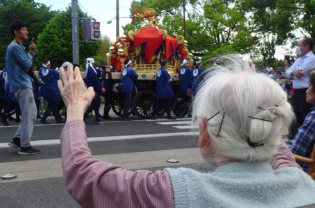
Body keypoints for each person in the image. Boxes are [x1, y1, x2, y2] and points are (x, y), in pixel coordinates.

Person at [58, 60, 315, 208]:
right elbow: (279, 151)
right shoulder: (303, 184)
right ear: (274, 128)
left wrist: (74, 109)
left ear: (204, 133)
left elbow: (81, 172)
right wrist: (256, 101)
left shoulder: (172, 192)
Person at [6, 20, 40, 155]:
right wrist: (31, 53)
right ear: (16, 32)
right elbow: (27, 65)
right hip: (22, 85)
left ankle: (17, 139)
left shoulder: (15, 47)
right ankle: (25, 146)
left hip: (20, 85)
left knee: (30, 114)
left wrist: (29, 52)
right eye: (24, 29)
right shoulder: (15, 47)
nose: (27, 32)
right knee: (28, 115)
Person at [285, 38, 315, 139]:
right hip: (297, 92)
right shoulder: (299, 59)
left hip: (306, 92)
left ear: (306, 47)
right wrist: (293, 73)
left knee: (304, 116)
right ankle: (296, 140)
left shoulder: (311, 58)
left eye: (298, 45)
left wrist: (293, 73)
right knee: (297, 116)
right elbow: (288, 73)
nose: (297, 48)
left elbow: (299, 73)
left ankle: (305, 143)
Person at [289, 69, 315, 172]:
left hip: (305, 172)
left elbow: (295, 152)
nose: (306, 90)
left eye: (310, 86)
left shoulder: (313, 118)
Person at [39, 59, 64, 124]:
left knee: (53, 105)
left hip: (45, 90)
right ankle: (44, 119)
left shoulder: (41, 70)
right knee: (52, 105)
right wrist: (56, 70)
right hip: (52, 91)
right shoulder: (53, 71)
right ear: (49, 64)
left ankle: (58, 118)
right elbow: (58, 77)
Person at [84, 58, 103, 123]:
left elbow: (97, 75)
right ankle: (84, 115)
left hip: (91, 88)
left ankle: (97, 117)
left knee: (96, 103)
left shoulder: (89, 69)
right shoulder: (91, 70)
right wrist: (100, 86)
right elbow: (95, 81)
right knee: (95, 103)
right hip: (94, 89)